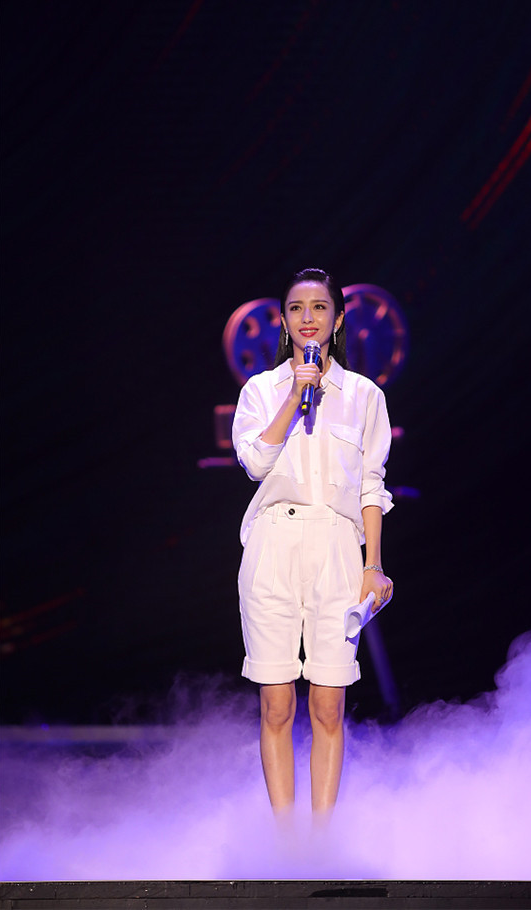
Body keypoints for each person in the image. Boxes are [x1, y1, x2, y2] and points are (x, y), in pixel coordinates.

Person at [232, 268, 393, 819]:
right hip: (273, 547)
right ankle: (284, 842)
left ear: (338, 319)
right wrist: (295, 393)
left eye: (319, 307)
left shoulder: (365, 396)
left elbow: (371, 485)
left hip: (336, 548)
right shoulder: (259, 391)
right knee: (277, 705)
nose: (308, 317)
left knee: (328, 706)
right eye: (297, 308)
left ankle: (321, 841)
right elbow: (256, 463)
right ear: (283, 321)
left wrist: (373, 566)